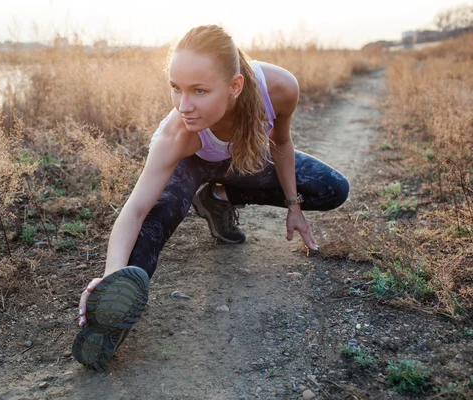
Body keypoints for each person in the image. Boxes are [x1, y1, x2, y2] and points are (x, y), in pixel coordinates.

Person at [72, 25, 349, 371]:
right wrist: (111, 273)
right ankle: (108, 326)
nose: (183, 106)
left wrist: (294, 206)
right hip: (192, 165)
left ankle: (217, 198)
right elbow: (135, 210)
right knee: (156, 219)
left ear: (235, 86)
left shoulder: (279, 89)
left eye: (199, 91)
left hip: (241, 160)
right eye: (176, 88)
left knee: (333, 188)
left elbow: (280, 143)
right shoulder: (176, 135)